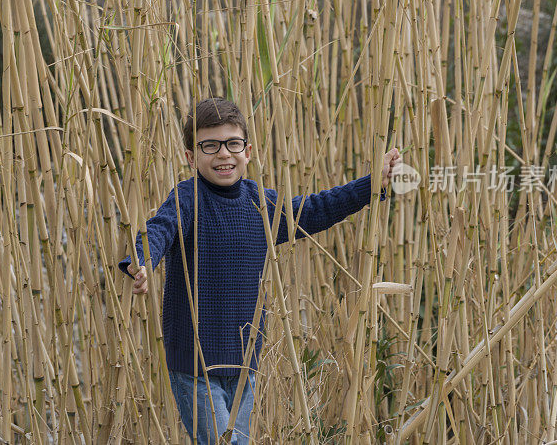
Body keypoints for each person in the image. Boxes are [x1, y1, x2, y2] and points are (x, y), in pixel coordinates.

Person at [119, 98, 401, 444]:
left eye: (232, 144)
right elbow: (160, 229)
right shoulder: (187, 197)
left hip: (243, 361)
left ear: (247, 151)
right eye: (210, 146)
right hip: (195, 364)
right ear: (192, 157)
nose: (223, 154)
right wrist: (142, 259)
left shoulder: (260, 203)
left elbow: (314, 209)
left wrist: (373, 184)